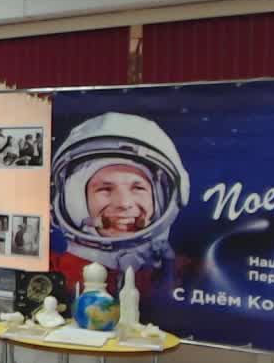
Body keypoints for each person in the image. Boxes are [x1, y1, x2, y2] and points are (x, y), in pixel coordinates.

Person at [50, 112, 191, 294]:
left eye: (138, 188)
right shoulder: (48, 276)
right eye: (105, 189)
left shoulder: (194, 275)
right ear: (74, 201)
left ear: (162, 198)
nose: (124, 203)